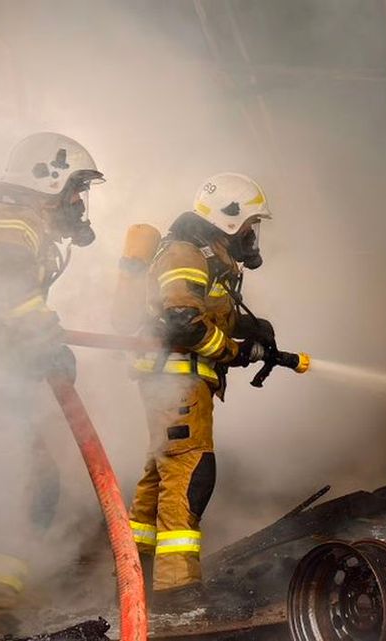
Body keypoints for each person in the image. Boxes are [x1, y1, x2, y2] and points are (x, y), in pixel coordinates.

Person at [0, 132, 104, 636]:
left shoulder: (12, 218)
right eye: (75, 190)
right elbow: (5, 275)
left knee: (10, 480)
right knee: (19, 481)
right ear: (48, 178)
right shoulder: (15, 218)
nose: (78, 203)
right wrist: (42, 333)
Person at [126, 172, 274, 611]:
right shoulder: (187, 253)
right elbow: (181, 322)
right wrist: (231, 350)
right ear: (229, 221)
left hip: (173, 380)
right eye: (250, 224)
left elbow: (203, 309)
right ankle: (177, 594)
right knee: (191, 472)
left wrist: (253, 328)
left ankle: (136, 578)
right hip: (176, 379)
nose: (252, 234)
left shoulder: (206, 256)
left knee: (163, 474)